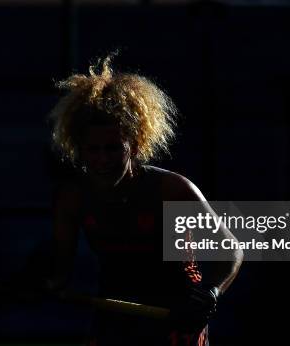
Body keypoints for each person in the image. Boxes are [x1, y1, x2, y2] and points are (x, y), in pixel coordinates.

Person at [45, 54, 243, 346]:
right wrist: (43, 282)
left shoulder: (172, 190)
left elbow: (230, 250)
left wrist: (209, 294)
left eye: (113, 149)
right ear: (79, 149)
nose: (102, 160)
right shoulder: (73, 197)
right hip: (112, 319)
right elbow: (59, 272)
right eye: (93, 150)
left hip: (177, 317)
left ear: (135, 145)